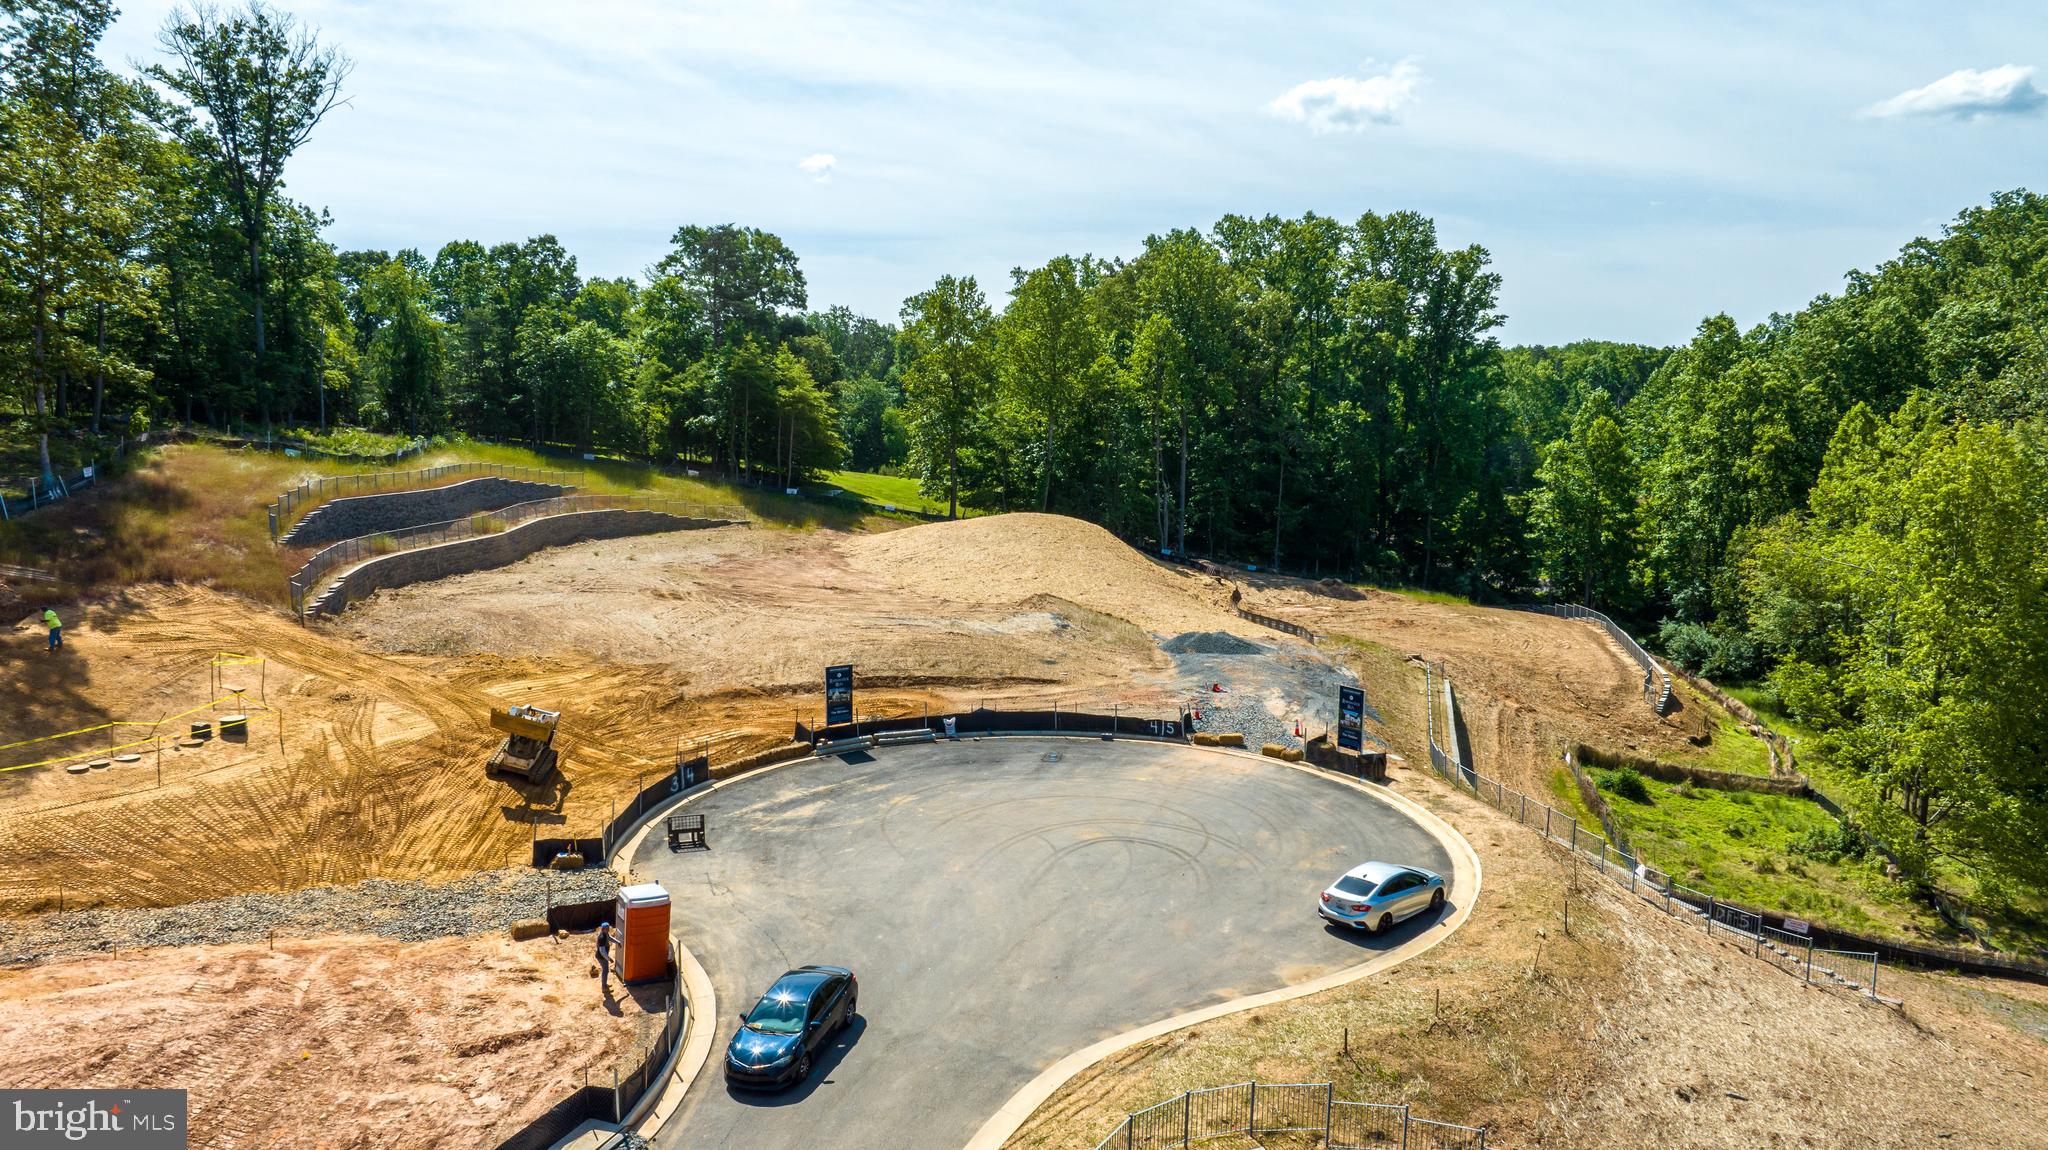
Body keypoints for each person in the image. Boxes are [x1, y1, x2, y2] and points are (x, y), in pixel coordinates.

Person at [595, 921, 614, 995]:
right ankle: (604, 987)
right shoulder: (602, 938)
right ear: (603, 929)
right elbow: (602, 952)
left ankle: (604, 984)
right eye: (606, 929)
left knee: (605, 971)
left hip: (603, 957)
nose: (608, 930)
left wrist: (618, 942)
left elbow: (610, 938)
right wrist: (609, 959)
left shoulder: (605, 934)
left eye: (608, 928)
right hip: (602, 957)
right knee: (605, 971)